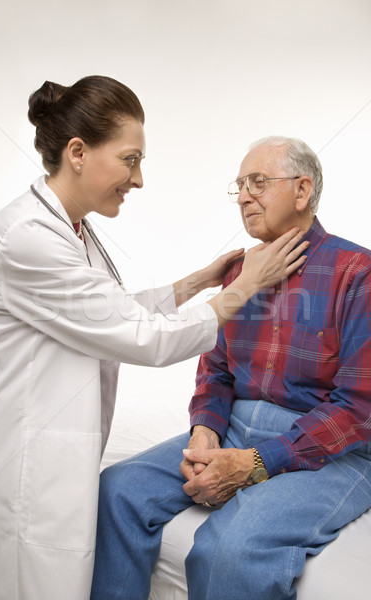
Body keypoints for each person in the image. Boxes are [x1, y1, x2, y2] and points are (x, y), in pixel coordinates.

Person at [0, 78, 307, 600]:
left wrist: (199, 280)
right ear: (77, 153)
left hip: (55, 452)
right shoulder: (26, 236)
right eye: (130, 160)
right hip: (26, 463)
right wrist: (245, 286)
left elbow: (109, 310)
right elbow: (142, 339)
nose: (140, 179)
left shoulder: (72, 227)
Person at [90, 136, 371, 600]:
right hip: (237, 427)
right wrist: (205, 431)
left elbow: (359, 408)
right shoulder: (239, 273)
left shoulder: (357, 273)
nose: (242, 196)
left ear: (302, 191)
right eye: (239, 185)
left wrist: (255, 463)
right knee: (117, 491)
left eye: (258, 182)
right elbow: (215, 372)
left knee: (229, 549)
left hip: (334, 450)